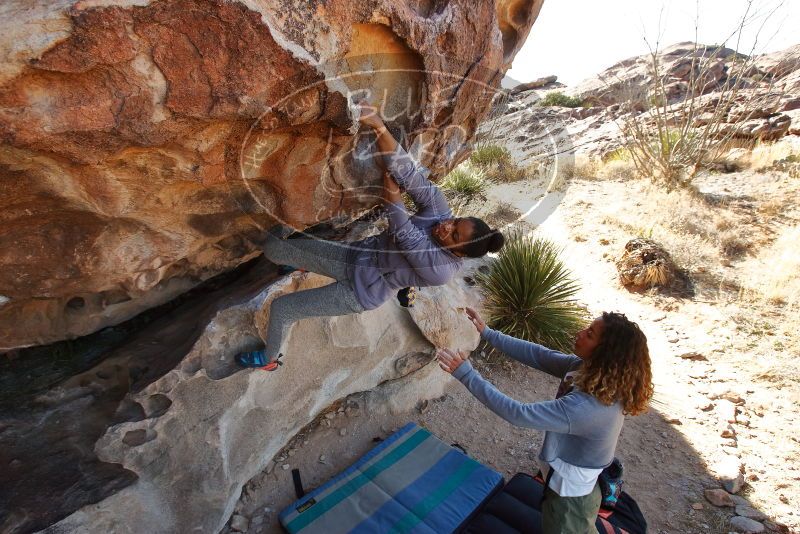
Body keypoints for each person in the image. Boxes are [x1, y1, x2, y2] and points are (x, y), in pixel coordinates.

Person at [235, 103, 505, 370]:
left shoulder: (442, 270)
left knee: (283, 307)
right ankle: (300, 261)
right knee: (273, 248)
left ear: (458, 252)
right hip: (354, 256)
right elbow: (407, 172)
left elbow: (403, 232)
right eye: (455, 221)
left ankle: (269, 359)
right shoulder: (438, 210)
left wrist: (392, 192)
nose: (446, 225)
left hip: (358, 293)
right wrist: (378, 125)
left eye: (453, 234)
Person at [437, 307, 653, 534]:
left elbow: (518, 414)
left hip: (569, 499)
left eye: (590, 334)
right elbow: (540, 355)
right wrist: (488, 333)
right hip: (568, 485)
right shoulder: (589, 371)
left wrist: (466, 374)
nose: (579, 333)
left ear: (606, 353)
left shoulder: (587, 408)